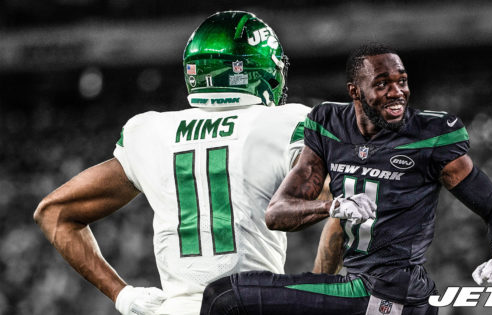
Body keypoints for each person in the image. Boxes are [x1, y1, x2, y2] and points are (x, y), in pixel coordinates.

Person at [200, 42, 492, 315]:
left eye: (402, 81)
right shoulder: (329, 125)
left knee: (224, 297)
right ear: (355, 91)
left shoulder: (429, 136)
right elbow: (276, 213)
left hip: (394, 291)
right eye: (382, 83)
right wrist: (332, 207)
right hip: (357, 287)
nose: (397, 92)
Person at [33, 11, 311, 315]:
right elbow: (340, 202)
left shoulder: (151, 132)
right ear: (255, 71)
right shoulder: (285, 123)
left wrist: (123, 296)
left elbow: (54, 213)